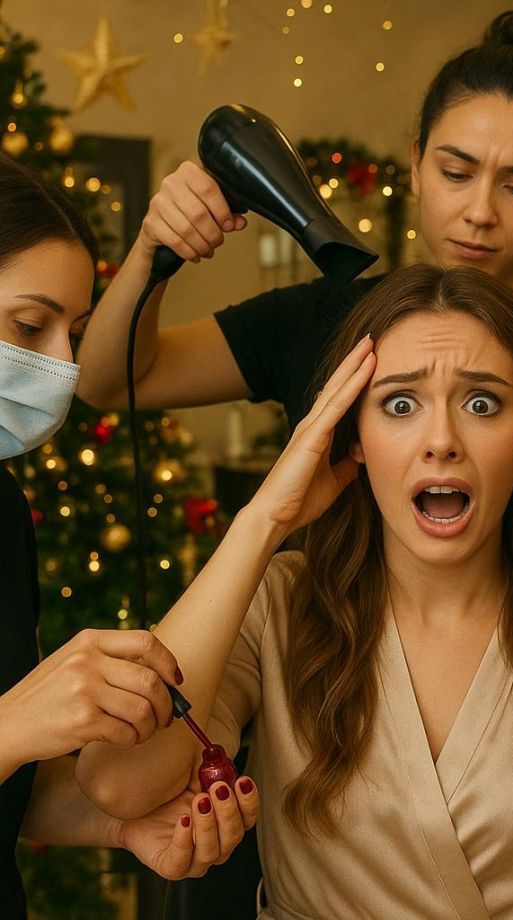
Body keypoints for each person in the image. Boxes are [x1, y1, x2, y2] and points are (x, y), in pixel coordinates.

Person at [78, 264, 513, 918]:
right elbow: (118, 781)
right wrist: (262, 522)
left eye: (481, 404)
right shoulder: (279, 603)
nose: (441, 442)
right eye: (400, 405)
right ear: (352, 434)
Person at [74, 10, 513, 506]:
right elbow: (108, 382)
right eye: (456, 173)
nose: (480, 211)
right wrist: (150, 251)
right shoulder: (321, 317)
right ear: (416, 164)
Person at [0, 153, 260, 917]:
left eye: (73, 332)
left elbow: (14, 791)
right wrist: (13, 724)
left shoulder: (4, 509)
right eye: (29, 326)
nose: (63, 365)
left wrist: (121, 826)